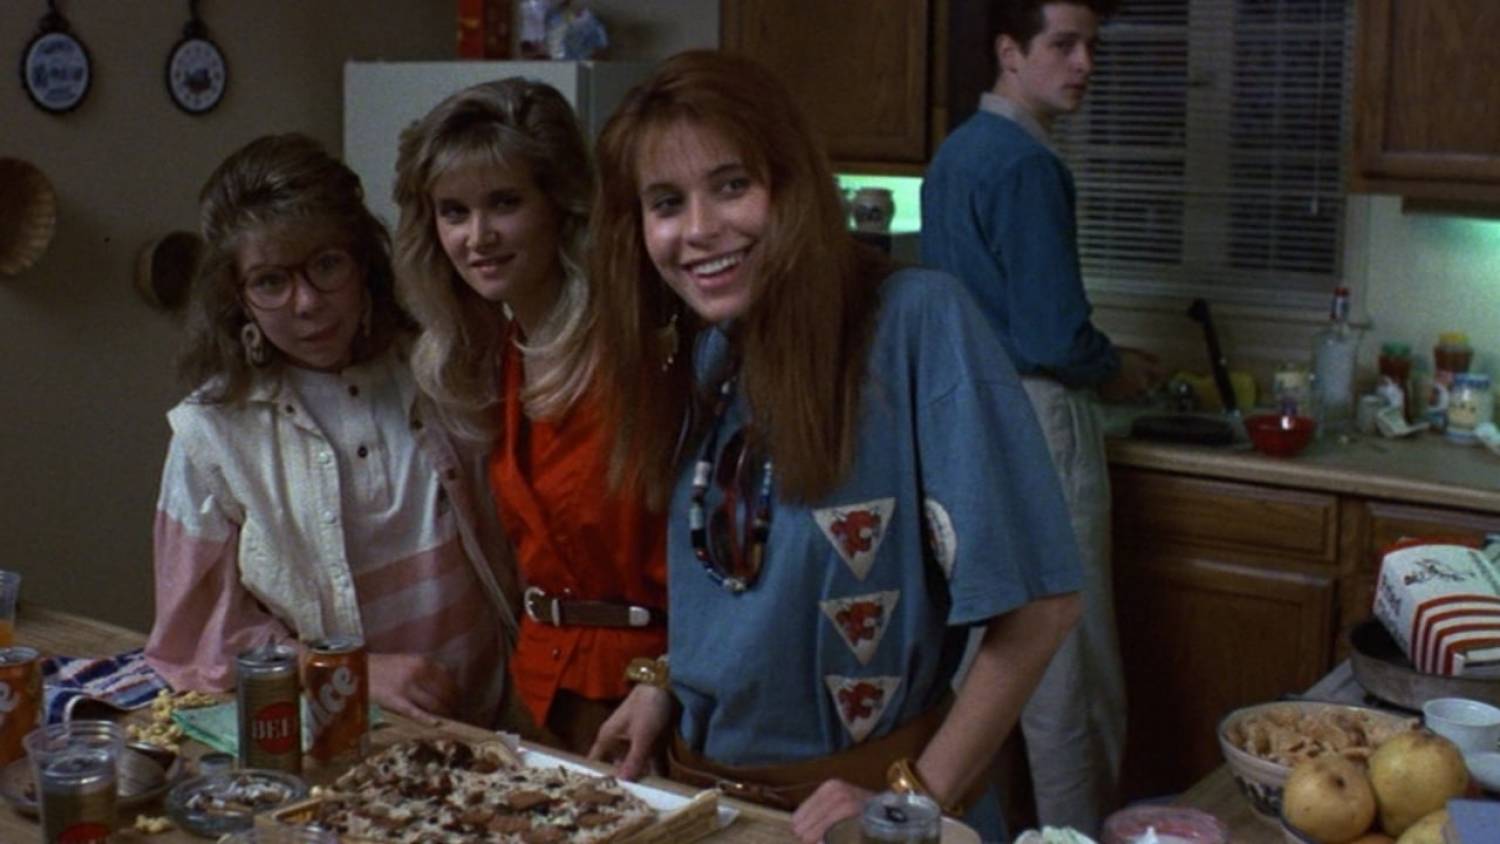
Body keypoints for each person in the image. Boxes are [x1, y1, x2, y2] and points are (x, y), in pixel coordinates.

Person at [585, 50, 1084, 844]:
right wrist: (666, 684)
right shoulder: (705, 352)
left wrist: (912, 800)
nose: (700, 230)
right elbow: (744, 591)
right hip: (707, 803)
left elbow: (1043, 607)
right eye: (666, 203)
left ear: (792, 185)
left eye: (731, 186)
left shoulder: (917, 323)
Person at [145, 134, 518, 727]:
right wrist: (349, 671)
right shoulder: (210, 432)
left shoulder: (437, 366)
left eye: (326, 265)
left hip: (492, 716)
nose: (307, 303)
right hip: (340, 735)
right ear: (238, 299)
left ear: (363, 263)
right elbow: (195, 636)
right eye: (271, 282)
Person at [921, 0, 1166, 833]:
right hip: (1038, 415)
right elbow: (1054, 336)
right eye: (1064, 44)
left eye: (1091, 46)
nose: (1085, 64)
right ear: (1009, 51)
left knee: (981, 661)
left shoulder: (955, 154)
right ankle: (1074, 832)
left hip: (964, 420)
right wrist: (1117, 367)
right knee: (1069, 665)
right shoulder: (1028, 165)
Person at [392, 79, 668, 755]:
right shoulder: (500, 352)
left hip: (652, 697)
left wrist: (669, 677)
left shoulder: (637, 349)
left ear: (560, 205)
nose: (477, 237)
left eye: (504, 203)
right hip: (541, 689)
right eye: (454, 212)